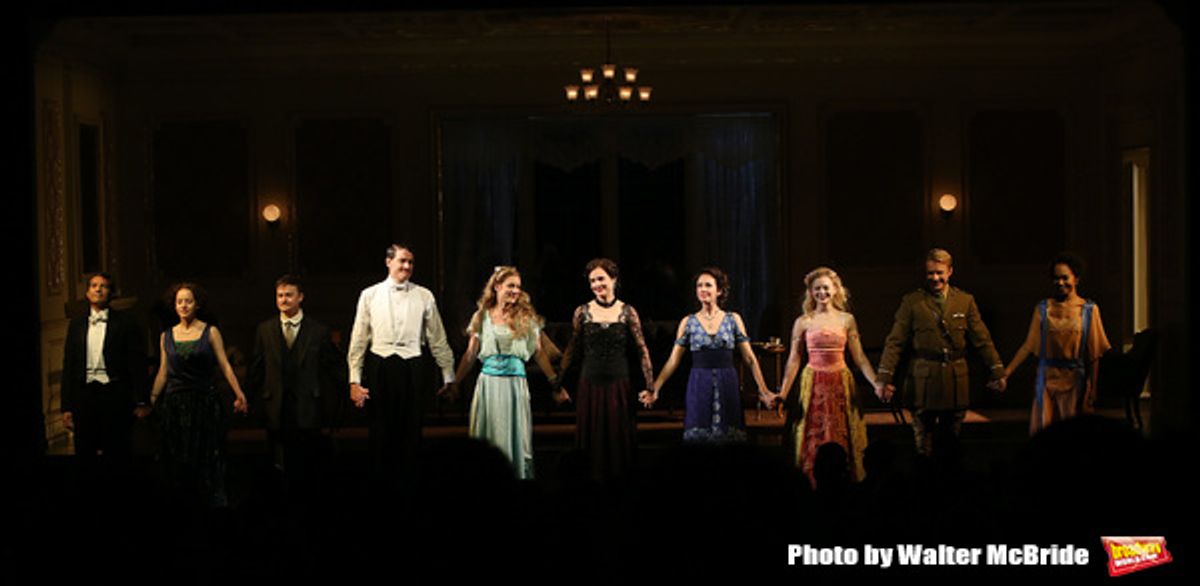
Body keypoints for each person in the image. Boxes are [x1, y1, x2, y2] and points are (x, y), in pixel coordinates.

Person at [876, 249, 1006, 457]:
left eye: (939, 273)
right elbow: (895, 342)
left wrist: (997, 371)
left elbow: (982, 340)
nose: (935, 278)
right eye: (930, 273)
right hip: (923, 381)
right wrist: (884, 378)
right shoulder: (912, 302)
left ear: (950, 272)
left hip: (955, 380)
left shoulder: (965, 301)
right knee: (922, 443)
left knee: (951, 442)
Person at [347, 244, 455, 491]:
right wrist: (354, 381)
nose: (407, 266)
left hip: (413, 367)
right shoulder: (369, 295)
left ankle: (411, 488)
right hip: (380, 366)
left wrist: (448, 376)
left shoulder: (424, 295)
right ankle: (380, 489)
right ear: (388, 262)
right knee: (380, 432)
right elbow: (358, 339)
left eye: (411, 263)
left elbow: (438, 339)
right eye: (402, 261)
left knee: (411, 432)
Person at [450, 266, 566, 479]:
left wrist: (555, 384)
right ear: (497, 286)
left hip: (514, 386)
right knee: (490, 437)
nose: (515, 291)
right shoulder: (482, 316)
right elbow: (470, 354)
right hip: (489, 387)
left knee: (514, 438)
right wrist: (455, 382)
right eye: (510, 285)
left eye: (518, 287)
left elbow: (539, 354)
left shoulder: (526, 317)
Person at [646, 267, 777, 443]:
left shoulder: (733, 319)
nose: (703, 289)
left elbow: (750, 359)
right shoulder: (688, 322)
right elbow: (673, 361)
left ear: (719, 290)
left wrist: (764, 390)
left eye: (708, 285)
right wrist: (656, 387)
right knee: (699, 437)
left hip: (727, 382)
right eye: (699, 286)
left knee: (729, 437)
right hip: (699, 382)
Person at [554, 258, 655, 482]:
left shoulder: (627, 311)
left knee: (619, 439)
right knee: (591, 439)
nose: (596, 284)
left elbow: (641, 349)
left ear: (614, 279)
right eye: (592, 281)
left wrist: (651, 386)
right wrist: (558, 384)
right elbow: (572, 350)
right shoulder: (582, 312)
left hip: (619, 384)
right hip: (590, 384)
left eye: (600, 279)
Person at [149, 282, 248, 507]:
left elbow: (224, 365)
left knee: (206, 459)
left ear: (197, 304)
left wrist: (239, 393)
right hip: (175, 406)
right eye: (179, 301)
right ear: (174, 306)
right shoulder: (166, 336)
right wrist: (153, 398)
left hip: (203, 404)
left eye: (188, 301)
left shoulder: (210, 332)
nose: (184, 305)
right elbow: (163, 371)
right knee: (177, 460)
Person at [776, 267, 877, 486]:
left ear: (835, 290)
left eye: (826, 288)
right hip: (813, 384)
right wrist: (783, 392)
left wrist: (876, 383)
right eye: (817, 289)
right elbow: (794, 359)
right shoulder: (803, 321)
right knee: (813, 434)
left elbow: (859, 357)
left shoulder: (847, 319)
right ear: (811, 292)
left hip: (841, 382)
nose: (822, 292)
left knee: (842, 432)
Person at [247, 275, 342, 494]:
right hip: (275, 406)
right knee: (277, 465)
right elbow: (257, 368)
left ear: (300, 297)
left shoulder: (319, 331)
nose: (284, 300)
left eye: (289, 295)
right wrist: (246, 397)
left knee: (308, 465)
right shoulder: (265, 329)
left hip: (309, 407)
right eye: (280, 295)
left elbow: (333, 369)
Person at [1002, 252, 1111, 435]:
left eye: (1064, 277)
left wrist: (1093, 388)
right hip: (1046, 379)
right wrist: (1006, 373)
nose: (1060, 282)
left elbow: (1094, 354)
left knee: (1071, 434)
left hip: (1075, 381)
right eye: (1056, 278)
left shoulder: (1089, 310)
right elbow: (1028, 345)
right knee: (1045, 433)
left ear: (1076, 279)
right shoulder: (1044, 308)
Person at [60, 272, 147, 465]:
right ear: (88, 293)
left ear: (111, 293)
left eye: (103, 286)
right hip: (84, 395)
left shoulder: (125, 323)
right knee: (84, 450)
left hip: (115, 394)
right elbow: (69, 365)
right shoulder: (76, 325)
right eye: (93, 285)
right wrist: (66, 406)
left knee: (117, 451)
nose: (98, 289)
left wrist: (142, 399)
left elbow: (137, 363)